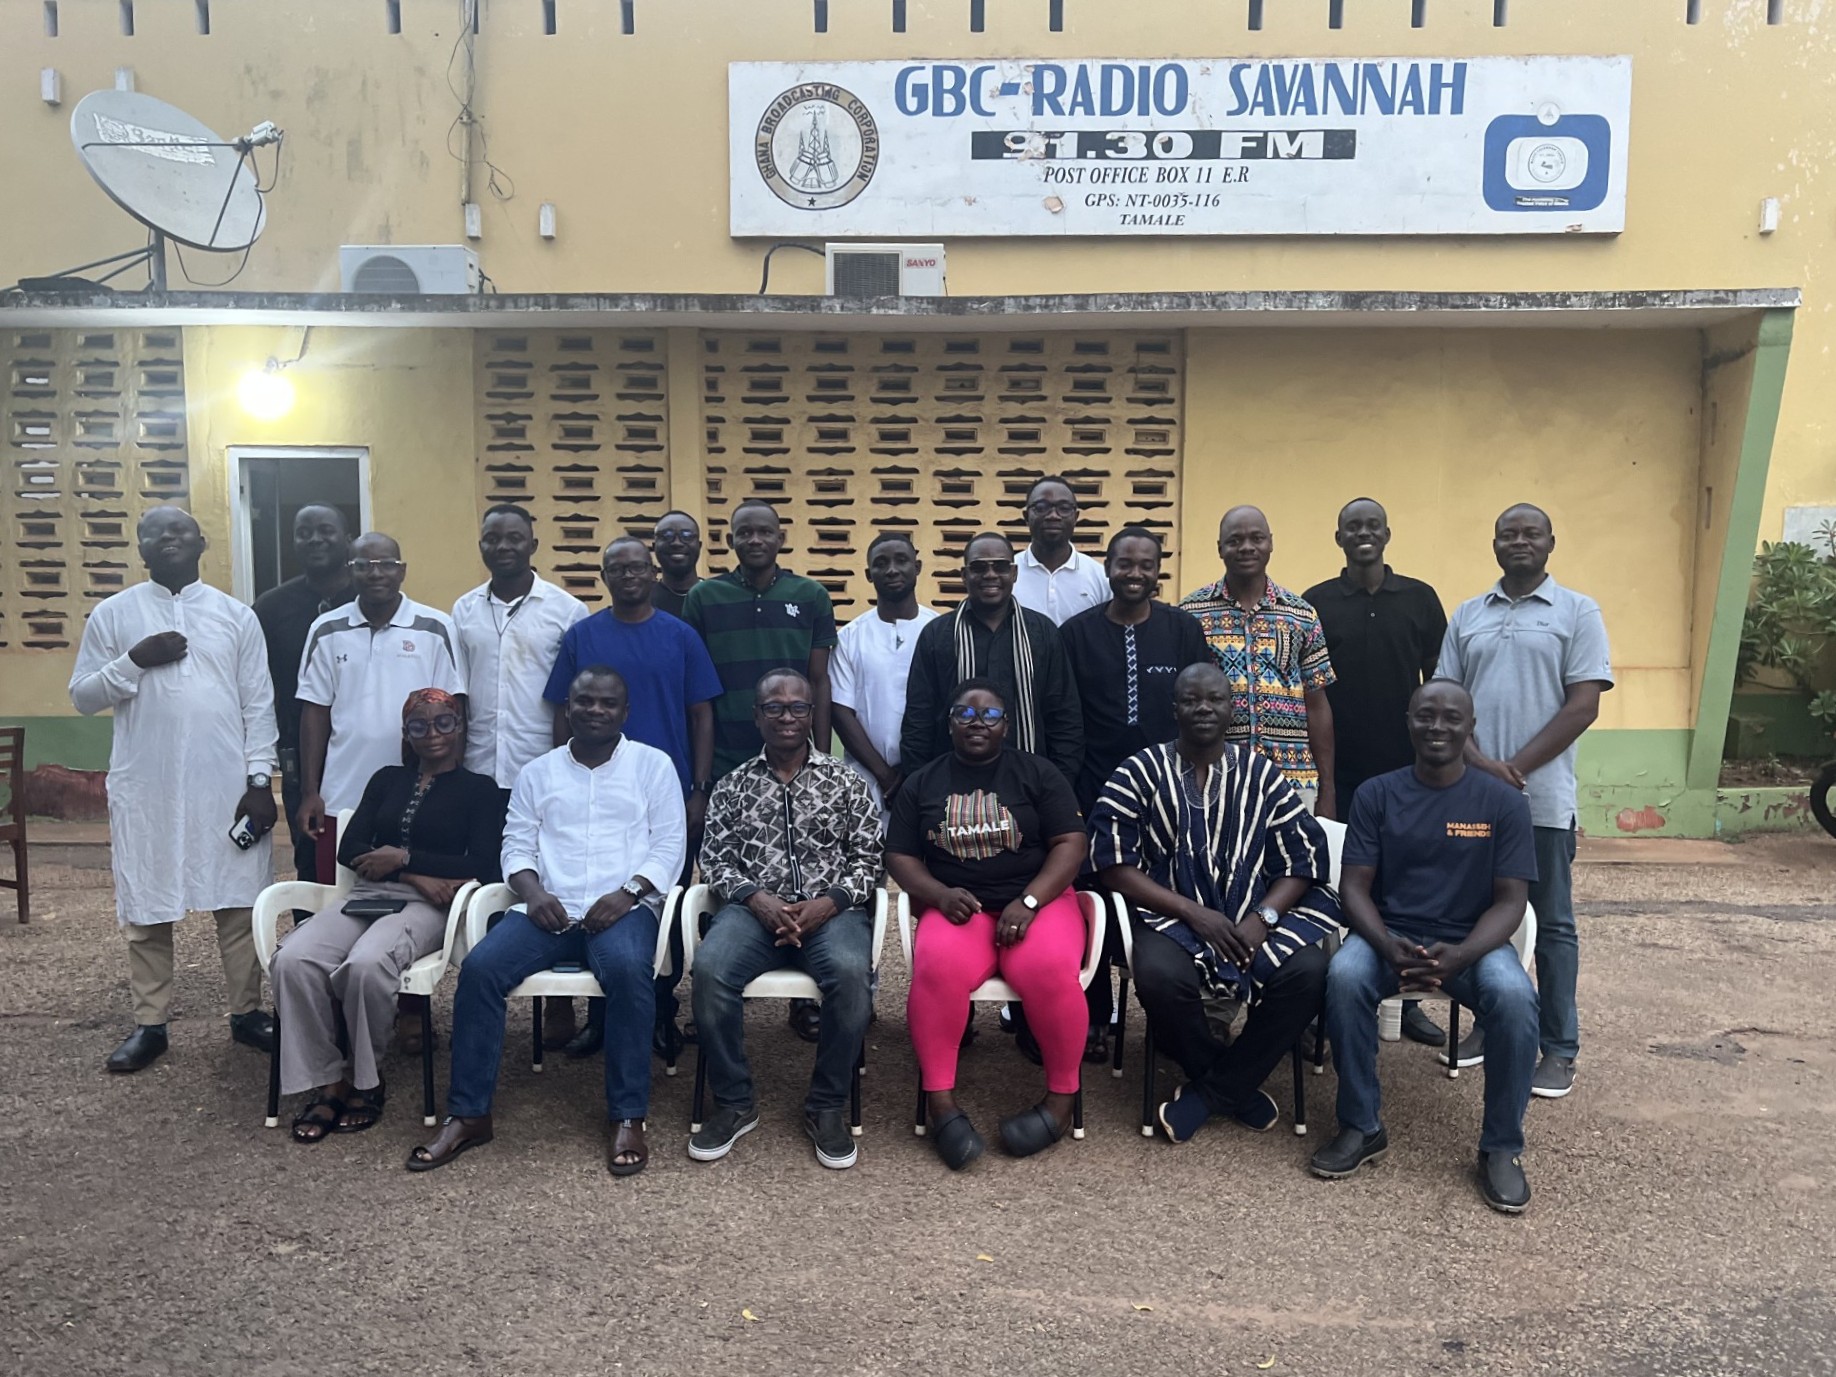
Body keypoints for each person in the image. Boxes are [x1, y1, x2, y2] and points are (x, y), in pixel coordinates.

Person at [407, 667, 686, 1177]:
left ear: (625, 712)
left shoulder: (653, 766)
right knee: (481, 970)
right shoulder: (539, 772)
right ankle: (468, 1114)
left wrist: (628, 893)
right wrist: (532, 893)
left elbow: (670, 844)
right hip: (547, 911)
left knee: (629, 974)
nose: (595, 710)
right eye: (584, 702)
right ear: (567, 708)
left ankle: (628, 1115)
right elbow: (516, 844)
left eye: (607, 703)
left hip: (622, 911)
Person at [1312, 680, 1540, 1213]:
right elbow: (1354, 889)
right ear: (1408, 722)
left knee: (1515, 998)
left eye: (1451, 718)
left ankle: (1501, 1148)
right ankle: (1361, 1125)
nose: (1437, 727)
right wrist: (1388, 946)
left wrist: (1460, 956)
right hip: (1389, 938)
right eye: (1425, 716)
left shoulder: (1503, 802)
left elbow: (1511, 902)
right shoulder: (1377, 793)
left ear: (1470, 727)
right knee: (1344, 978)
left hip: (1472, 944)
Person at [1090, 662, 1341, 1143]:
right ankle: (1232, 1083)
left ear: (1232, 708)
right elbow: (1114, 865)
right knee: (1160, 976)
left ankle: (1211, 1092)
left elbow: (1303, 858)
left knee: (1309, 972)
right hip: (1168, 917)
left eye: (1214, 700)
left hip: (1253, 914)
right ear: (1175, 709)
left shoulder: (1263, 774)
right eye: (1191, 700)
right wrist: (1192, 912)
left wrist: (1263, 918)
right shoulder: (1139, 771)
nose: (1203, 708)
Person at [70, 506, 279, 1072]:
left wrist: (260, 782)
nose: (169, 538)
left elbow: (258, 704)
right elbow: (84, 696)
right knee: (147, 904)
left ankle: (246, 1013)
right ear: (140, 547)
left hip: (225, 784)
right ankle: (151, 1024)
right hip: (149, 785)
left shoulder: (235, 616)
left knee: (238, 900)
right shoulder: (114, 614)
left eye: (181, 530)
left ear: (202, 542)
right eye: (156, 532)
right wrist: (134, 661)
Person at [273, 689, 505, 1142]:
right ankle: (328, 1078)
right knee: (293, 959)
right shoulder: (386, 780)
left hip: (431, 906)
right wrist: (416, 871)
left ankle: (366, 1080)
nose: (432, 734)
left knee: (366, 964)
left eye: (443, 723)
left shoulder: (480, 790)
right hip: (369, 893)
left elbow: (481, 863)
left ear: (459, 728)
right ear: (406, 734)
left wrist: (402, 861)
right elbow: (350, 847)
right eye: (419, 726)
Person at [1437, 503, 1613, 1099]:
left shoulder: (1577, 611)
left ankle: (1560, 1048)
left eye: (1529, 533)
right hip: (1471, 796)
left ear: (1550, 543)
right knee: (1479, 916)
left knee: (1554, 924)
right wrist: (1483, 765)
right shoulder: (1468, 614)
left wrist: (1516, 769)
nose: (1519, 542)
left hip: (1541, 800)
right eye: (1508, 534)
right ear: (1493, 545)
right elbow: (1446, 699)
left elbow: (1583, 704)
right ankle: (1492, 1023)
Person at [889, 680, 1090, 1169]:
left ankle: (1061, 1102)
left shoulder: (1038, 774)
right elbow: (898, 854)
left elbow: (1071, 842)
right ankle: (941, 1105)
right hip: (960, 907)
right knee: (936, 967)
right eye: (965, 713)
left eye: (990, 715)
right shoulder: (923, 781)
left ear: (1009, 724)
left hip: (1037, 904)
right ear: (949, 721)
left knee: (1045, 970)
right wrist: (937, 894)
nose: (977, 723)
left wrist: (1031, 899)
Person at [688, 671, 883, 1170]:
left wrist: (831, 902)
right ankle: (735, 1100)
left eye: (798, 707)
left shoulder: (846, 782)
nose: (787, 717)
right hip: (754, 913)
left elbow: (869, 859)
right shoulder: (733, 786)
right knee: (710, 971)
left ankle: (826, 1105)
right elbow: (716, 861)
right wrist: (757, 899)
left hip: (831, 912)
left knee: (849, 975)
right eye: (774, 708)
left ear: (812, 714)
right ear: (757, 716)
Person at [544, 536, 721, 1057]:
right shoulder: (583, 635)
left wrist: (699, 790)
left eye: (637, 567)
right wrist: (565, 782)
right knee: (600, 901)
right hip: (598, 796)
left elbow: (701, 715)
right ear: (604, 576)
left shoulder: (682, 635)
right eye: (616, 568)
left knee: (661, 907)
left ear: (653, 573)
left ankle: (662, 1013)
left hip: (666, 795)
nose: (628, 576)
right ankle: (602, 1019)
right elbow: (561, 710)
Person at [1302, 497, 1449, 1048]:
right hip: (1340, 771)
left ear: (1387, 534)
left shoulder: (1419, 599)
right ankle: (1328, 998)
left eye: (1372, 526)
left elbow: (1439, 682)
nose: (1363, 534)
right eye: (1352, 527)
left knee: (1403, 883)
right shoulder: (1315, 603)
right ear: (1338, 537)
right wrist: (1327, 785)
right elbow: (1311, 696)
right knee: (1333, 882)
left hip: (1407, 773)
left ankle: (1405, 1000)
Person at [1060, 526, 1211, 1055]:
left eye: (1146, 565)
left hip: (1168, 791)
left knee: (1173, 892)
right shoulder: (1075, 634)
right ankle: (1096, 1014)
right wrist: (1069, 793)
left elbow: (1202, 713)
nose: (1135, 574)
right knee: (1093, 895)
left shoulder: (1182, 630)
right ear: (1108, 567)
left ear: (1158, 570)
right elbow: (1066, 718)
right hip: (1094, 789)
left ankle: (1178, 1013)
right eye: (1125, 563)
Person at [295, 532, 465, 884]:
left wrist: (449, 789)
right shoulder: (326, 629)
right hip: (341, 794)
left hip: (415, 795)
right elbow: (315, 712)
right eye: (364, 566)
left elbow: (454, 712)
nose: (375, 574)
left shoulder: (436, 628)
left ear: (402, 571)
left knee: (409, 896)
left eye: (386, 565)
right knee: (336, 895)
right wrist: (311, 791)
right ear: (349, 571)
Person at [1181, 505, 1338, 818]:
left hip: (1291, 778)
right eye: (1235, 540)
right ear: (1220, 548)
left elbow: (1316, 704)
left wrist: (1328, 788)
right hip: (1216, 777)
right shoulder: (1191, 614)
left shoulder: (1301, 614)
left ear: (1270, 543)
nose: (1247, 547)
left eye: (1256, 538)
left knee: (1293, 866)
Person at [900, 532, 1083, 787]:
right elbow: (918, 721)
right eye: (978, 567)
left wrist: (1058, 786)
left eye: (1000, 566)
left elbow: (1064, 718)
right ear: (964, 575)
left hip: (1030, 786)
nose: (990, 575)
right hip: (952, 787)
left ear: (1014, 573)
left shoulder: (1042, 633)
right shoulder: (937, 635)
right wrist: (922, 787)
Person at [682, 498, 838, 780]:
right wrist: (700, 779)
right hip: (724, 757)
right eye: (744, 533)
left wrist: (822, 760)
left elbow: (819, 680)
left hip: (795, 757)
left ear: (780, 539)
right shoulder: (703, 598)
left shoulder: (811, 595)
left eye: (765, 532)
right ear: (730, 540)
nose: (755, 540)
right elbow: (696, 690)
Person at [451, 504, 588, 795]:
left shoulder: (568, 611)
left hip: (542, 765)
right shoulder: (464, 609)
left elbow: (576, 696)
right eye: (492, 538)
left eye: (515, 538)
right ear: (480, 545)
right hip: (478, 766)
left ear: (533, 545)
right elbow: (459, 692)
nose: (502, 546)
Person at [252, 504, 353, 882]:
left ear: (347, 539)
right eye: (303, 532)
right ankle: (309, 939)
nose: (314, 539)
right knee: (313, 864)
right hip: (302, 759)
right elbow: (256, 684)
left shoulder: (375, 599)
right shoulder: (270, 608)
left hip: (370, 755)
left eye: (325, 530)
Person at [831, 531, 940, 822]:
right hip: (866, 781)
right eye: (881, 563)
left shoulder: (941, 631)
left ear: (917, 567)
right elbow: (841, 711)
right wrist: (886, 776)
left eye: (901, 560)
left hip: (932, 778)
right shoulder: (850, 637)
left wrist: (917, 771)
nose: (892, 570)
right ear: (869, 574)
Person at [1012, 475, 1110, 626]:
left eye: (1064, 508)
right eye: (1041, 508)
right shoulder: (1008, 574)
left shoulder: (1099, 577)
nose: (1053, 516)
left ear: (1076, 517)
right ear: (1026, 516)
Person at [650, 509, 703, 618]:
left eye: (687, 536)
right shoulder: (642, 602)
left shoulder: (716, 597)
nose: (677, 543)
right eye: (666, 536)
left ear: (699, 545)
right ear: (654, 546)